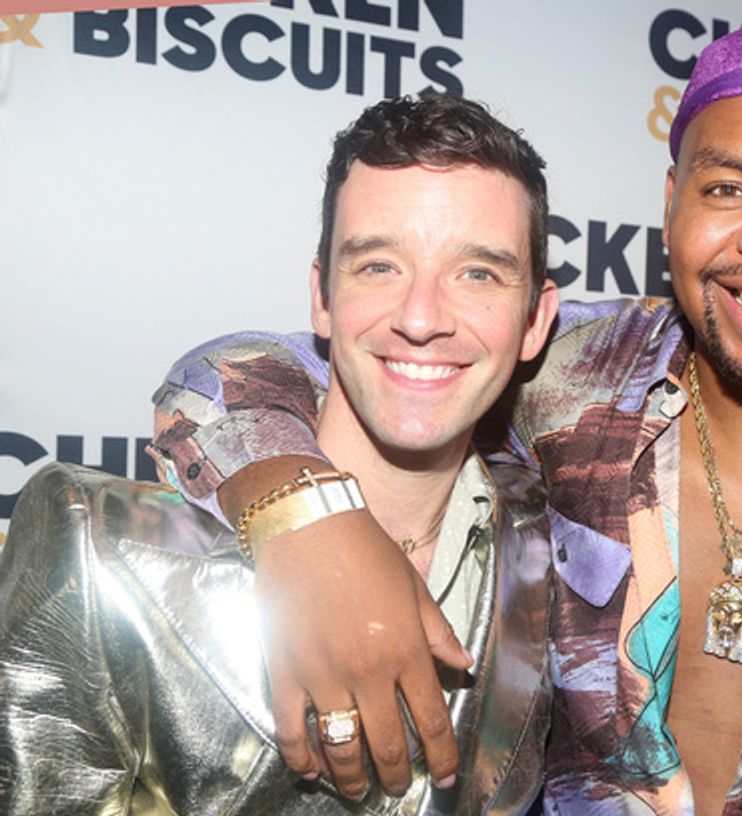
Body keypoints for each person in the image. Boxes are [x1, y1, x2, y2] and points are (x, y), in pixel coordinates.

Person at [145, 10, 742, 815]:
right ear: (672, 204)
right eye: (730, 188)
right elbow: (246, 369)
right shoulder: (574, 373)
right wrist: (306, 522)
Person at [0, 94, 559, 813]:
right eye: (378, 266)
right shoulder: (99, 553)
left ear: (537, 320)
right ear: (321, 297)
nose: (422, 318)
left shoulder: (553, 545)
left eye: (478, 273)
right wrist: (302, 514)